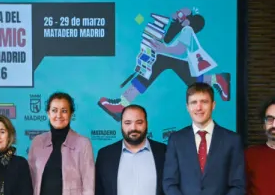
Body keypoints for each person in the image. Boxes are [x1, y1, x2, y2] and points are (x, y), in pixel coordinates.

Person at [97, 8, 231, 121]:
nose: (178, 14)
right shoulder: (176, 28)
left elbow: (179, 50)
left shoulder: (187, 31)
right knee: (190, 79)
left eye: (182, 14)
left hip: (182, 60)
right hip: (179, 61)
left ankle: (122, 104)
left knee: (156, 65)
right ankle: (218, 79)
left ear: (188, 20)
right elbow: (167, 41)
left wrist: (163, 49)